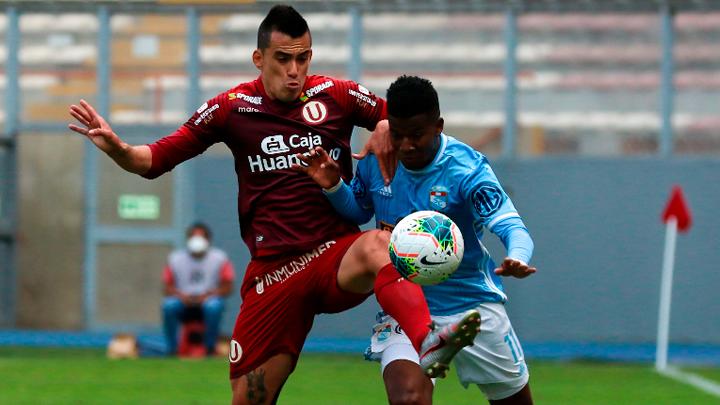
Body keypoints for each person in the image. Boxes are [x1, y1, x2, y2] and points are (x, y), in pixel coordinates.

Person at [68, 6, 478, 405]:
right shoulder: (230, 108)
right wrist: (119, 149)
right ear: (259, 58)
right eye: (283, 59)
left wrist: (386, 124)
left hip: (334, 256)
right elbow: (152, 160)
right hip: (277, 270)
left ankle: (428, 341)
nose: (294, 71)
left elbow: (407, 121)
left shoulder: (336, 94)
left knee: (378, 243)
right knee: (250, 398)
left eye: (302, 58)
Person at [294, 75, 536, 405]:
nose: (406, 145)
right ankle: (428, 339)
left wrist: (518, 255)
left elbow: (510, 225)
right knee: (408, 398)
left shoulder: (465, 168)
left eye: (417, 135)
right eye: (398, 134)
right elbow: (357, 213)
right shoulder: (377, 160)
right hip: (406, 308)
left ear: (438, 126)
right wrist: (334, 187)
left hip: (471, 309)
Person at [162, 222, 235, 356]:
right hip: (182, 300)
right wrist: (181, 296)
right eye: (193, 237)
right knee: (168, 306)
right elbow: (167, 287)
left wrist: (209, 295)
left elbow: (228, 287)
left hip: (208, 299)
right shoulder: (175, 259)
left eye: (201, 237)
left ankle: (209, 348)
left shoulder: (220, 258)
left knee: (214, 307)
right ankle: (172, 349)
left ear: (208, 240)